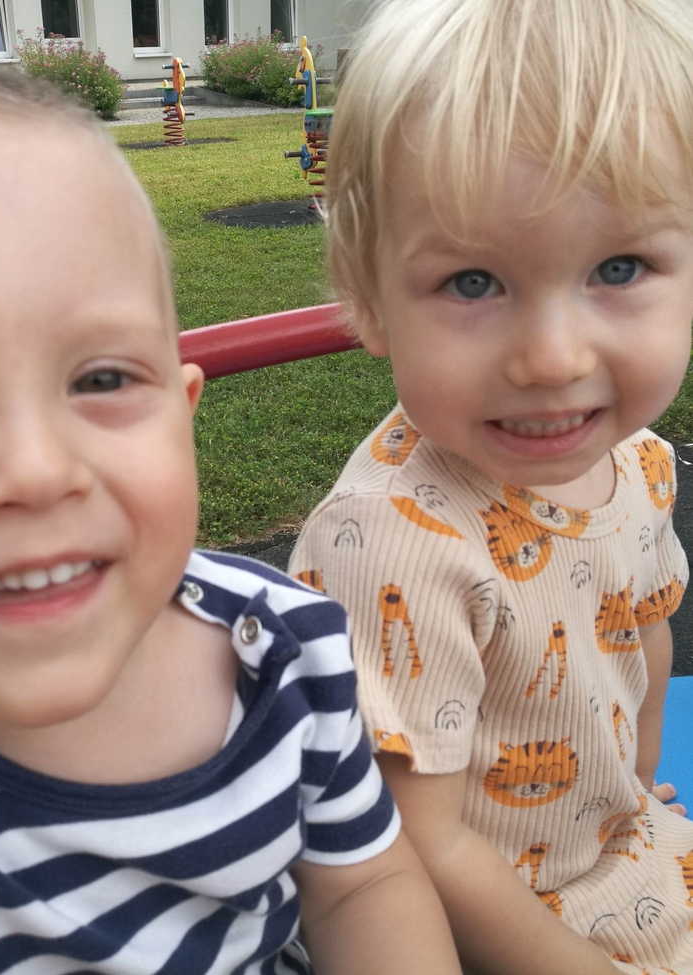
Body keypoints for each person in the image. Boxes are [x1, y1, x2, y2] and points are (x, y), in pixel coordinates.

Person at [0, 63, 461, 974]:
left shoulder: (285, 648)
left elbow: (363, 886)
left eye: (100, 379)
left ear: (182, 415)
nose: (35, 472)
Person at [288, 1, 693, 972]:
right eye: (472, 282)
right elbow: (409, 847)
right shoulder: (392, 541)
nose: (552, 359)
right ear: (367, 298)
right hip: (480, 922)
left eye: (620, 266)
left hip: (617, 848)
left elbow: (644, 632)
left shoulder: (639, 461)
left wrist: (632, 799)